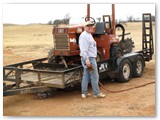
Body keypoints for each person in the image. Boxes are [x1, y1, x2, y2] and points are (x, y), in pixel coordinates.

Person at [79, 21, 106, 99]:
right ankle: (96, 93)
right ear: (85, 27)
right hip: (89, 59)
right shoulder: (84, 36)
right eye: (88, 26)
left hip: (89, 59)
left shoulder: (88, 35)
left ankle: (84, 93)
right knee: (94, 75)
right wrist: (87, 60)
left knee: (86, 75)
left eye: (91, 25)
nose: (90, 27)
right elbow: (84, 50)